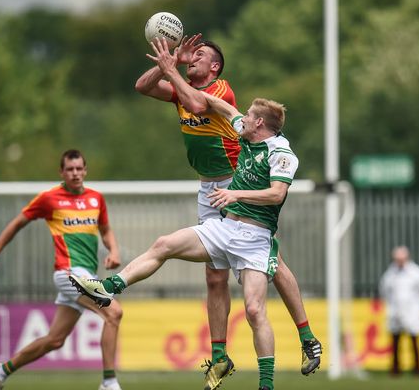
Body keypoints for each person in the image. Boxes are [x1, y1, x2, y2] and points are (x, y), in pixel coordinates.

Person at [72, 92, 297, 390]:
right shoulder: (247, 133)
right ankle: (109, 287)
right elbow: (222, 105)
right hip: (227, 228)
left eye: (248, 115)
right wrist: (177, 80)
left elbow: (277, 194)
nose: (241, 117)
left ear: (258, 122)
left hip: (256, 239)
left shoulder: (281, 152)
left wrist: (235, 194)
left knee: (255, 311)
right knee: (165, 244)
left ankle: (266, 384)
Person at [135, 35, 322, 386]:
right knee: (213, 275)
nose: (193, 59)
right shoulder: (183, 84)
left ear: (215, 67)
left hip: (237, 185)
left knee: (273, 263)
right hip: (209, 188)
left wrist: (172, 71)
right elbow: (142, 86)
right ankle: (220, 357)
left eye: (200, 55)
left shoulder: (221, 89)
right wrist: (170, 61)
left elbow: (197, 103)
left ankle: (307, 336)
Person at [0, 149, 124, 390]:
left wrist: (115, 251)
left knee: (55, 340)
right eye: (70, 169)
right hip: (68, 273)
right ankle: (109, 382)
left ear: (85, 170)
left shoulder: (96, 198)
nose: (75, 173)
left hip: (87, 275)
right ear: (62, 172)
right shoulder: (49, 199)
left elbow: (106, 230)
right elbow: (17, 223)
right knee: (114, 313)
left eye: (79, 168)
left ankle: (0, 372)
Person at [378, 245, 419, 376]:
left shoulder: (417, 273)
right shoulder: (390, 274)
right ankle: (395, 369)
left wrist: (417, 306)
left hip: (412, 312)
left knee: (414, 340)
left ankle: (418, 369)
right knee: (396, 342)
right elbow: (384, 291)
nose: (400, 261)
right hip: (395, 311)